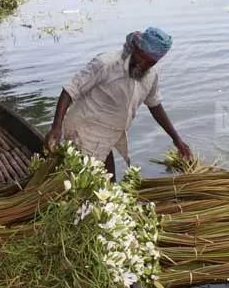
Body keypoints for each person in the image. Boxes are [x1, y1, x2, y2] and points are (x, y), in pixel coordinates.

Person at [45, 26, 192, 179]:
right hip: (83, 129)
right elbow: (70, 90)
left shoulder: (150, 75)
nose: (143, 64)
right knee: (88, 182)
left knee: (109, 182)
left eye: (150, 62)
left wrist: (177, 139)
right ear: (135, 47)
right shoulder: (106, 64)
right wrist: (56, 126)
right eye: (141, 57)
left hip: (108, 135)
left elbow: (155, 105)